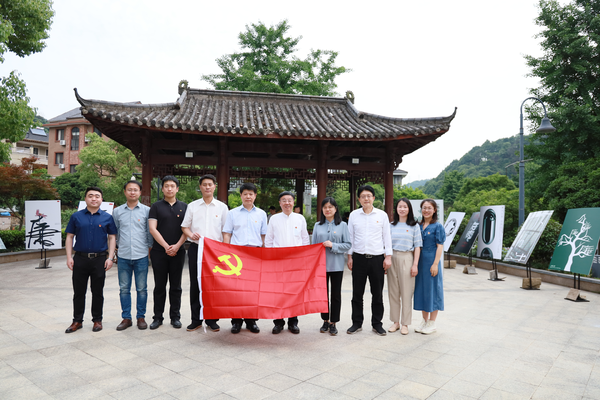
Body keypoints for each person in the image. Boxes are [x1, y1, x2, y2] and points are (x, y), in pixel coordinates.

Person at [64, 187, 117, 333]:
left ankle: (97, 320)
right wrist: (69, 257)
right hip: (80, 259)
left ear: (101, 199)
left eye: (97, 196)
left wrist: (110, 257)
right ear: (85, 199)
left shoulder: (107, 217)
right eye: (91, 196)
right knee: (78, 292)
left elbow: (112, 237)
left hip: (99, 259)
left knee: (97, 291)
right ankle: (77, 321)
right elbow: (69, 237)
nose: (94, 199)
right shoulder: (76, 216)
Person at [181, 174, 228, 332]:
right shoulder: (193, 206)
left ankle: (212, 319)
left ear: (215, 186)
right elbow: (185, 227)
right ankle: (196, 319)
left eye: (210, 184)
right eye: (204, 184)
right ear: (200, 187)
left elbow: (226, 231)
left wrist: (224, 251)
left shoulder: (222, 207)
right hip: (196, 248)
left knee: (213, 285)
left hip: (215, 251)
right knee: (196, 283)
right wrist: (190, 234)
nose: (207, 187)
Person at [346, 185, 392, 336]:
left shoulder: (382, 215)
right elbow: (350, 237)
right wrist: (350, 256)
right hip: (359, 258)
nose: (366, 198)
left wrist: (388, 257)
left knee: (377, 294)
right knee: (357, 293)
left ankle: (377, 324)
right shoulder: (354, 215)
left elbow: (387, 237)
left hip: (377, 259)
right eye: (363, 196)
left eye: (369, 196)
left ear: (373, 198)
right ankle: (356, 323)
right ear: (359, 199)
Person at [222, 182, 267, 334]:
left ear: (255, 196)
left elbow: (264, 236)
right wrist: (227, 253)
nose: (248, 196)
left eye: (251, 194)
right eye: (245, 194)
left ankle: (251, 320)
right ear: (241, 195)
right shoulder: (232, 213)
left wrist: (264, 255)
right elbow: (227, 234)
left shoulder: (261, 214)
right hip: (237, 255)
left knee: (253, 289)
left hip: (255, 254)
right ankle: (236, 321)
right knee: (236, 289)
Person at [265, 191, 310, 334]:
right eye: (284, 200)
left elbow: (305, 239)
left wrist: (303, 258)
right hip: (278, 261)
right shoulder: (274, 219)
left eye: (289, 200)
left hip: (296, 262)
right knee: (278, 292)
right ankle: (278, 322)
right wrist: (271, 259)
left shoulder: (300, 218)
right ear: (280, 203)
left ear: (293, 202)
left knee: (294, 292)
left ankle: (293, 322)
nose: (287, 203)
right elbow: (269, 240)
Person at [112, 180, 153, 331]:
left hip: (141, 255)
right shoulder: (117, 212)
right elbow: (115, 232)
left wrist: (149, 250)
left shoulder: (147, 211)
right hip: (123, 256)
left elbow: (149, 232)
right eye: (129, 190)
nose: (132, 192)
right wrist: (116, 249)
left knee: (142, 289)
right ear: (125, 192)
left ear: (140, 192)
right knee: (124, 288)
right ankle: (126, 318)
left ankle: (141, 317)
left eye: (135, 190)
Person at [148, 176, 188, 330]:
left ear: (177, 189)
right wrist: (166, 246)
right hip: (159, 252)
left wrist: (177, 246)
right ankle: (157, 318)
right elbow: (153, 229)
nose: (169, 189)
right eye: (166, 186)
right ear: (162, 188)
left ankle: (175, 317)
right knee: (159, 286)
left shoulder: (185, 207)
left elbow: (187, 229)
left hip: (178, 252)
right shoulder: (156, 206)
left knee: (176, 286)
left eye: (172, 186)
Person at [311, 197, 351, 336]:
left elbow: (348, 245)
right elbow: (313, 246)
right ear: (322, 209)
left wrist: (333, 245)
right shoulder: (317, 225)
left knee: (335, 294)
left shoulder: (343, 225)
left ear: (335, 209)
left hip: (337, 265)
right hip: (321, 266)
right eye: (325, 207)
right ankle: (325, 320)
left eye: (330, 207)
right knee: (322, 294)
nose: (327, 209)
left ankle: (334, 322)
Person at [388, 198, 422, 335]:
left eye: (405, 207)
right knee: (393, 292)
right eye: (399, 206)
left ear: (409, 209)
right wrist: (386, 259)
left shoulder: (414, 226)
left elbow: (417, 246)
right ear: (396, 209)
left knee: (406, 292)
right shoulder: (391, 225)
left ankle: (405, 324)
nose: (402, 209)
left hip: (407, 258)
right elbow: (386, 244)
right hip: (392, 257)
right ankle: (395, 322)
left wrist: (415, 265)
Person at [413, 199, 445, 335]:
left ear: (434, 210)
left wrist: (435, 264)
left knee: (433, 290)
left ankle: (432, 322)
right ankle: (424, 320)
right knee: (422, 290)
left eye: (429, 208)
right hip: (420, 261)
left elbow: (440, 246)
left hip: (431, 261)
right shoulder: (418, 226)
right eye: (424, 208)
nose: (426, 210)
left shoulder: (438, 226)